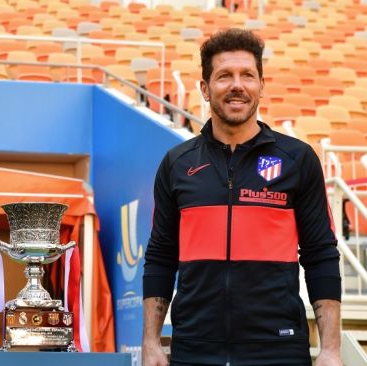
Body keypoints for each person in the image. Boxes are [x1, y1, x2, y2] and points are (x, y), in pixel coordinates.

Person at [142, 28, 341, 366]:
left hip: (278, 349)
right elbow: (161, 256)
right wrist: (150, 342)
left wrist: (331, 349)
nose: (237, 85)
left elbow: (320, 255)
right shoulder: (177, 164)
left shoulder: (298, 159)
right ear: (205, 88)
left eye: (247, 75)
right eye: (224, 76)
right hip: (195, 349)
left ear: (261, 85)